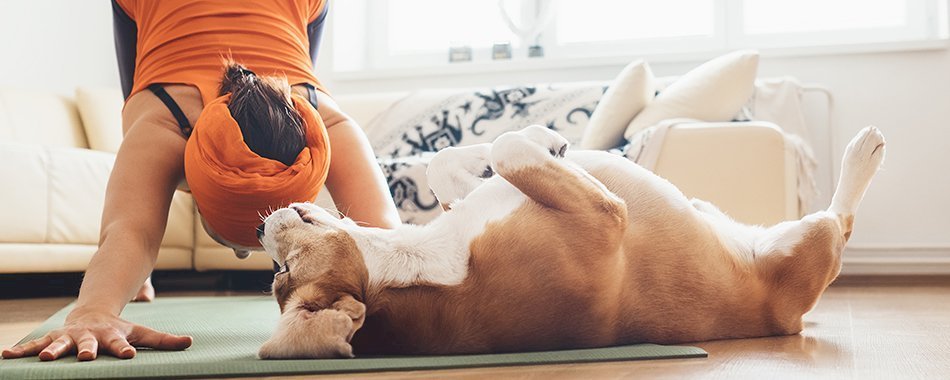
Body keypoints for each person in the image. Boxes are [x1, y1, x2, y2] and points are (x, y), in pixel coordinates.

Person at [1, 0, 399, 362]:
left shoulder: (320, 123)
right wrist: (93, 310)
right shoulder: (163, 122)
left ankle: (133, 273)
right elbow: (130, 233)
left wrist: (98, 307)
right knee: (141, 124)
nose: (241, 254)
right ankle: (132, 275)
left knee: (141, 131)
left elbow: (389, 240)